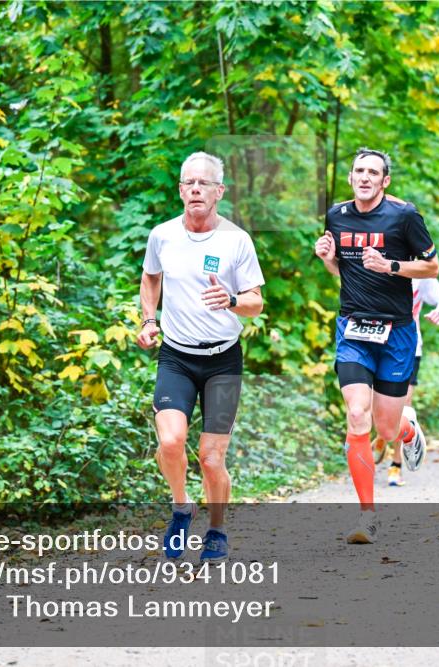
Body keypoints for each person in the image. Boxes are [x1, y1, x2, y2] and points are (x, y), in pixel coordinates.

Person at [137, 151, 265, 562]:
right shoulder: (162, 236)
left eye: (203, 183)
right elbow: (150, 277)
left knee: (211, 457)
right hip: (176, 356)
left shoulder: (236, 240)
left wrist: (229, 299)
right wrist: (148, 319)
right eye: (188, 183)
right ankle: (181, 506)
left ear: (219, 191)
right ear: (180, 190)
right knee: (171, 441)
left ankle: (216, 528)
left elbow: (255, 302)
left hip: (223, 361)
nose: (195, 189)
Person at [314, 147, 439, 544]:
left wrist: (392, 266)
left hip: (397, 333)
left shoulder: (404, 215)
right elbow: (343, 270)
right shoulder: (336, 215)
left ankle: (407, 428)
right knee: (356, 414)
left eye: (373, 172)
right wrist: (327, 259)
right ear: (351, 177)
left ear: (385, 181)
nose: (365, 177)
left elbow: (432, 266)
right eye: (358, 171)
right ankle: (367, 515)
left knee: (386, 427)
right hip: (353, 328)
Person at [371, 277, 439, 488]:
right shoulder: (375, 262)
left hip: (409, 347)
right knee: (375, 405)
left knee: (402, 407)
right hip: (377, 344)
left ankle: (395, 465)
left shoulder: (420, 273)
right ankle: (382, 435)